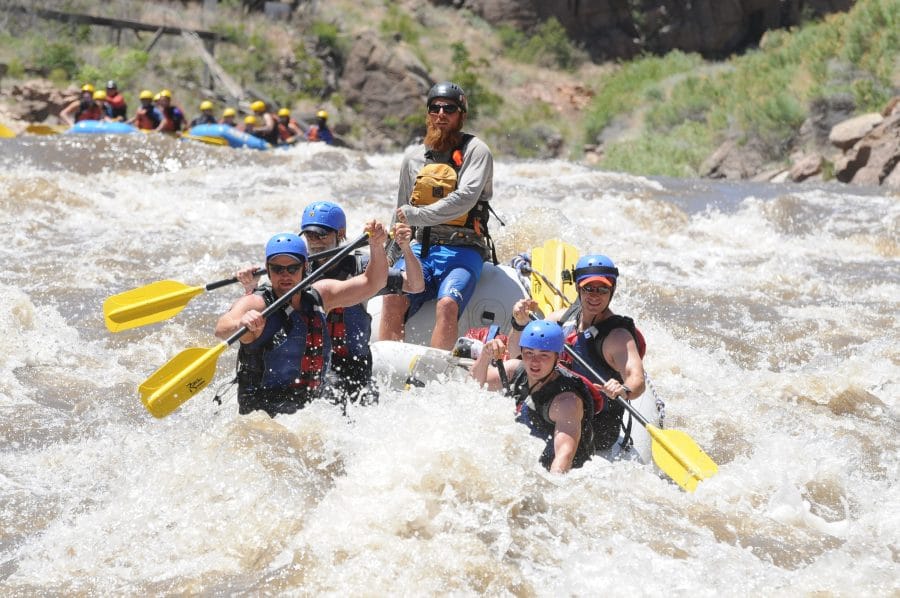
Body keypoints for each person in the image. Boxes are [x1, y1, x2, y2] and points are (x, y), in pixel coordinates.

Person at [235, 202, 424, 408]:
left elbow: (415, 285)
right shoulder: (297, 272)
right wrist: (250, 288)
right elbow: (267, 309)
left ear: (340, 233)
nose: (315, 242)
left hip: (354, 366)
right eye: (309, 236)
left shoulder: (364, 268)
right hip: (312, 367)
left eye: (321, 235)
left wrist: (405, 249)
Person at [215, 221, 389, 417]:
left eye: (292, 268)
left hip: (310, 408)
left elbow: (373, 282)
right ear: (268, 269)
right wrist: (241, 323)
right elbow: (221, 328)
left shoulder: (320, 296)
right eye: (278, 269)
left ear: (305, 266)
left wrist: (376, 245)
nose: (285, 275)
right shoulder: (257, 304)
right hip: (263, 412)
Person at [379, 81, 495, 350]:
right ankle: (387, 365)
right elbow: (400, 213)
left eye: (449, 109)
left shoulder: (476, 151)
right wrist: (386, 257)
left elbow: (465, 199)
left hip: (464, 249)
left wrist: (417, 216)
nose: (441, 114)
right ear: (428, 113)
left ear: (461, 115)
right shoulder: (414, 158)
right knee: (393, 294)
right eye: (435, 108)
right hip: (422, 248)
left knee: (447, 304)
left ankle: (434, 378)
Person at [507, 254, 646, 451]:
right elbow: (517, 358)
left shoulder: (618, 338)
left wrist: (624, 389)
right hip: (553, 408)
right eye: (588, 288)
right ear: (578, 288)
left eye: (602, 289)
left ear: (612, 290)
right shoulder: (562, 320)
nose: (594, 296)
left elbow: (637, 379)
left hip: (595, 426)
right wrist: (519, 323)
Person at [470, 319, 596, 473]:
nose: (534, 362)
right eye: (529, 353)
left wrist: (552, 489)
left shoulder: (566, 402)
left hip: (563, 470)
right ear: (521, 352)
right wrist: (485, 355)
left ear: (557, 358)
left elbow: (564, 455)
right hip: (525, 455)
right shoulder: (516, 370)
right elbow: (473, 385)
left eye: (544, 355)